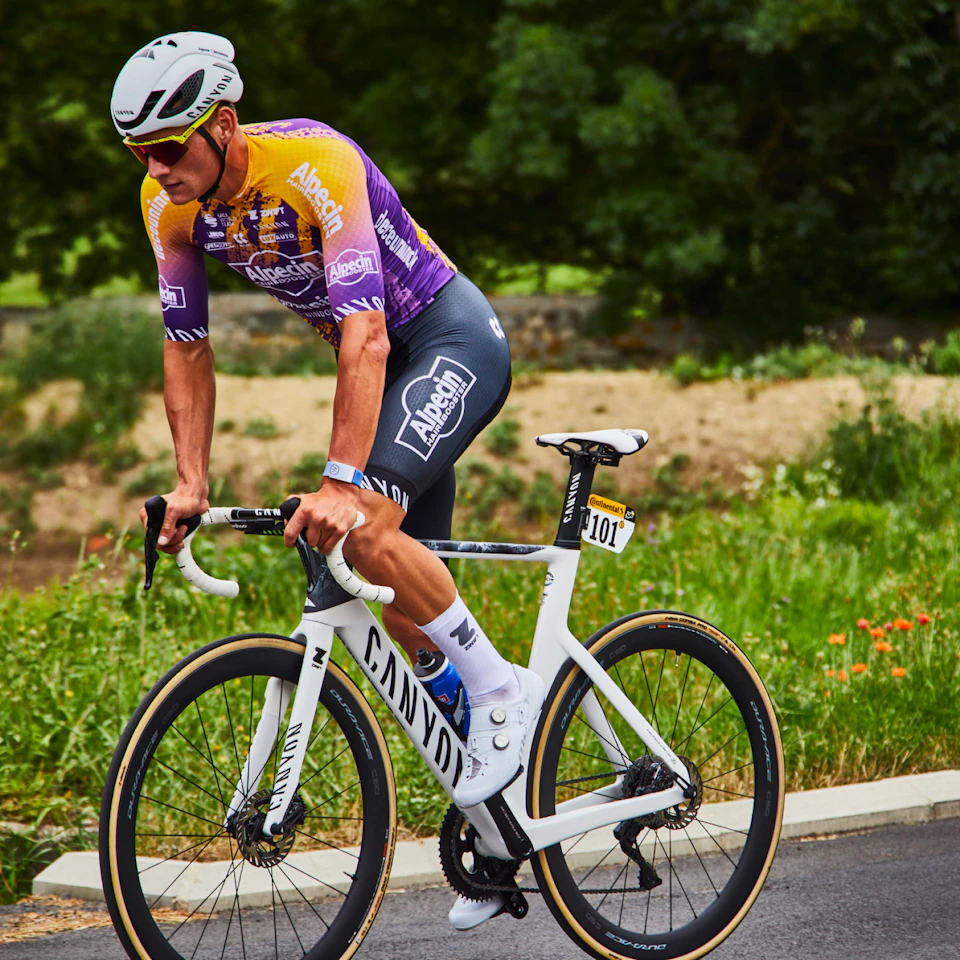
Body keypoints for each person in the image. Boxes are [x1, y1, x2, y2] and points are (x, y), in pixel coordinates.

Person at [112, 31, 541, 928]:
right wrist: (190, 481)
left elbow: (368, 333)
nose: (155, 168)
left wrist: (344, 480)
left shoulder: (315, 163)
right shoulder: (169, 206)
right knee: (384, 600)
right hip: (381, 360)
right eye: (138, 154)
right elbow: (186, 344)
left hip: (444, 339)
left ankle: (506, 692)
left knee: (361, 526)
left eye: (168, 147)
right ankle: (502, 834)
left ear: (223, 127)